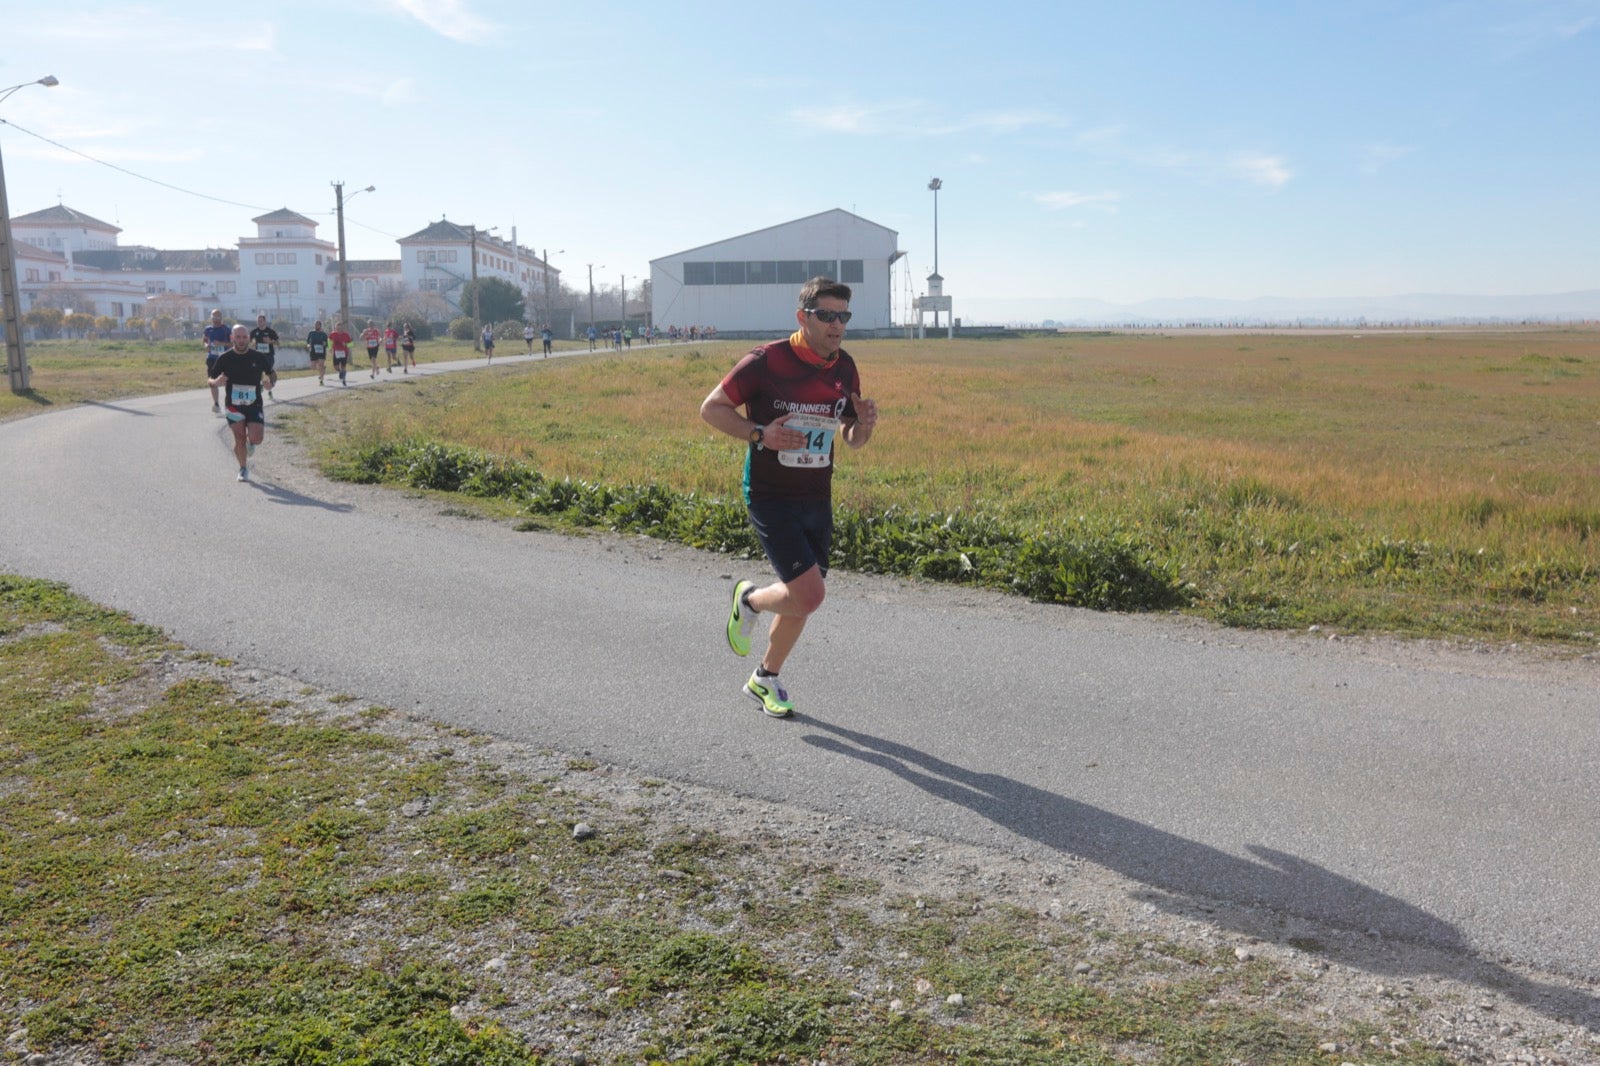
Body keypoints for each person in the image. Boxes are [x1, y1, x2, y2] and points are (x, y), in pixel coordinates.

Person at [698, 277, 878, 718]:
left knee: (802, 597)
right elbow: (712, 408)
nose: (837, 325)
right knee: (810, 595)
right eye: (827, 316)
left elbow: (850, 437)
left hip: (816, 496)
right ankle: (750, 600)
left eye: (844, 316)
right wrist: (760, 433)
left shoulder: (844, 367)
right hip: (769, 494)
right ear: (803, 317)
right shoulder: (766, 361)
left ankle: (765, 677)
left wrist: (865, 425)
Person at [208, 323, 275, 482]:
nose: (241, 340)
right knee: (239, 437)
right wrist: (216, 381)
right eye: (238, 337)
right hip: (233, 404)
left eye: (244, 337)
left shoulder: (258, 357)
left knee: (257, 438)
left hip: (254, 404)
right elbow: (210, 379)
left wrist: (271, 383)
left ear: (249, 339)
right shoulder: (224, 358)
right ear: (232, 338)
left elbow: (272, 374)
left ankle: (251, 443)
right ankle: (243, 468)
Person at [202, 309, 230, 414]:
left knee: (228, 381)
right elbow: (204, 339)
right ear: (211, 318)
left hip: (224, 359)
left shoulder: (226, 329)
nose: (216, 320)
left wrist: (222, 343)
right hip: (212, 358)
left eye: (218, 318)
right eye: (214, 318)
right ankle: (216, 403)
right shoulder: (208, 329)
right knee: (212, 382)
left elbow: (232, 343)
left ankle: (229, 404)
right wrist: (206, 346)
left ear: (221, 318)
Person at [250, 314, 279, 400]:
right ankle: (262, 386)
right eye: (258, 321)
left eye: (261, 321)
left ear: (265, 321)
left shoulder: (270, 331)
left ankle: (268, 388)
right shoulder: (254, 332)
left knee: (267, 373)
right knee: (258, 372)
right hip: (258, 356)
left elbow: (278, 343)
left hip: (268, 356)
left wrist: (270, 341)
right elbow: (250, 342)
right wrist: (252, 344)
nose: (259, 322)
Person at [329, 320, 353, 386]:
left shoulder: (346, 335)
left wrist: (346, 345)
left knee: (343, 366)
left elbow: (351, 344)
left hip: (344, 352)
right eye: (338, 328)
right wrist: (330, 348)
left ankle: (344, 380)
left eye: (340, 328)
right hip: (336, 352)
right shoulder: (333, 334)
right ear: (335, 328)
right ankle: (340, 372)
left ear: (342, 328)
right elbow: (329, 340)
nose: (339, 330)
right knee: (335, 366)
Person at [306, 319, 330, 386]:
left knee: (321, 365)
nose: (316, 326)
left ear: (320, 326)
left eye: (317, 324)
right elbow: (307, 341)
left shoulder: (324, 334)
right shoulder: (311, 333)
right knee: (313, 367)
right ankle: (322, 369)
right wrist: (308, 345)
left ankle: (321, 380)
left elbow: (327, 344)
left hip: (321, 352)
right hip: (313, 351)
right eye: (315, 324)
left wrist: (324, 344)